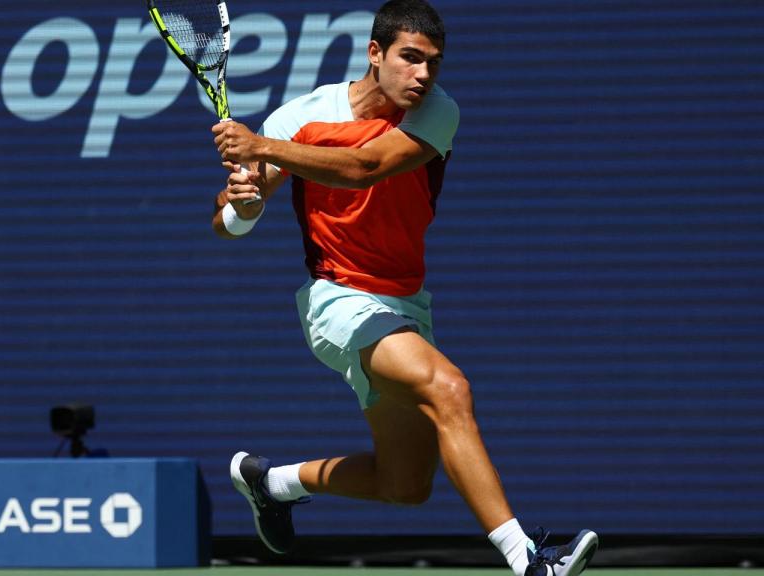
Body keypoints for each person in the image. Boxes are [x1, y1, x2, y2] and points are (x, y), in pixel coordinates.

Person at [207, 1, 598, 575]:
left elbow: (364, 166)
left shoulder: (437, 113)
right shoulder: (301, 116)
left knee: (404, 484)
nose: (422, 75)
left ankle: (271, 482)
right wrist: (242, 205)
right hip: (338, 300)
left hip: (405, 303)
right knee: (450, 389)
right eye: (409, 59)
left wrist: (259, 148)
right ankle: (531, 562)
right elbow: (226, 222)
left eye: (433, 64)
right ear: (375, 53)